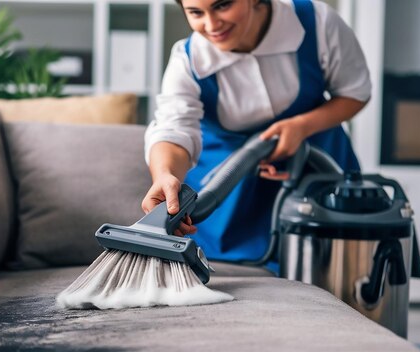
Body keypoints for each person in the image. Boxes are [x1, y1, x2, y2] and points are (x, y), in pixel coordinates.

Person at [141, 0, 371, 270]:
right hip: (232, 200)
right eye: (196, 12)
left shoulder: (318, 23)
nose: (212, 25)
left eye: (223, 5)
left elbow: (355, 92)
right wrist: (165, 175)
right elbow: (173, 130)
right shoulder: (187, 61)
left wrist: (302, 126)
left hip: (316, 179)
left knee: (335, 269)